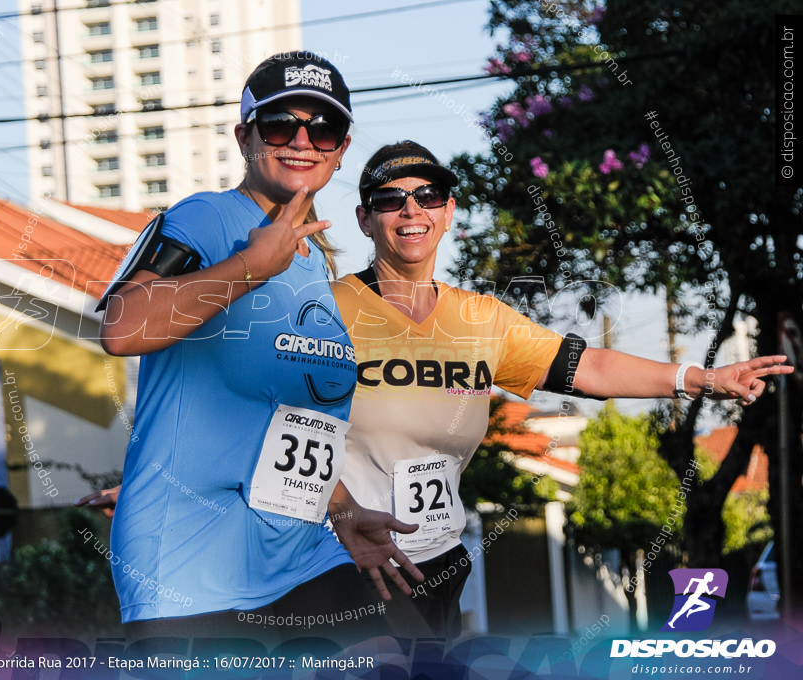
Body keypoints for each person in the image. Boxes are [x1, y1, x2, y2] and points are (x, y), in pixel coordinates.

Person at [331, 140, 795, 638]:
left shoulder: (481, 318)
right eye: (389, 199)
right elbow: (269, 427)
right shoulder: (329, 310)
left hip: (440, 561)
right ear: (364, 218)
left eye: (429, 195)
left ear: (449, 213)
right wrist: (342, 510)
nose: (411, 210)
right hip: (348, 561)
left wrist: (698, 379)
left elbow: (587, 367)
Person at [89, 53, 421, 644]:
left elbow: (287, 424)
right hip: (190, 567)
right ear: (245, 137)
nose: (302, 140)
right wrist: (249, 265)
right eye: (279, 125)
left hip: (300, 553)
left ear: (341, 149)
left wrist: (344, 512)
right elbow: (122, 326)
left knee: (402, 649)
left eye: (322, 129)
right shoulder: (206, 219)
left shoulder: (315, 263)